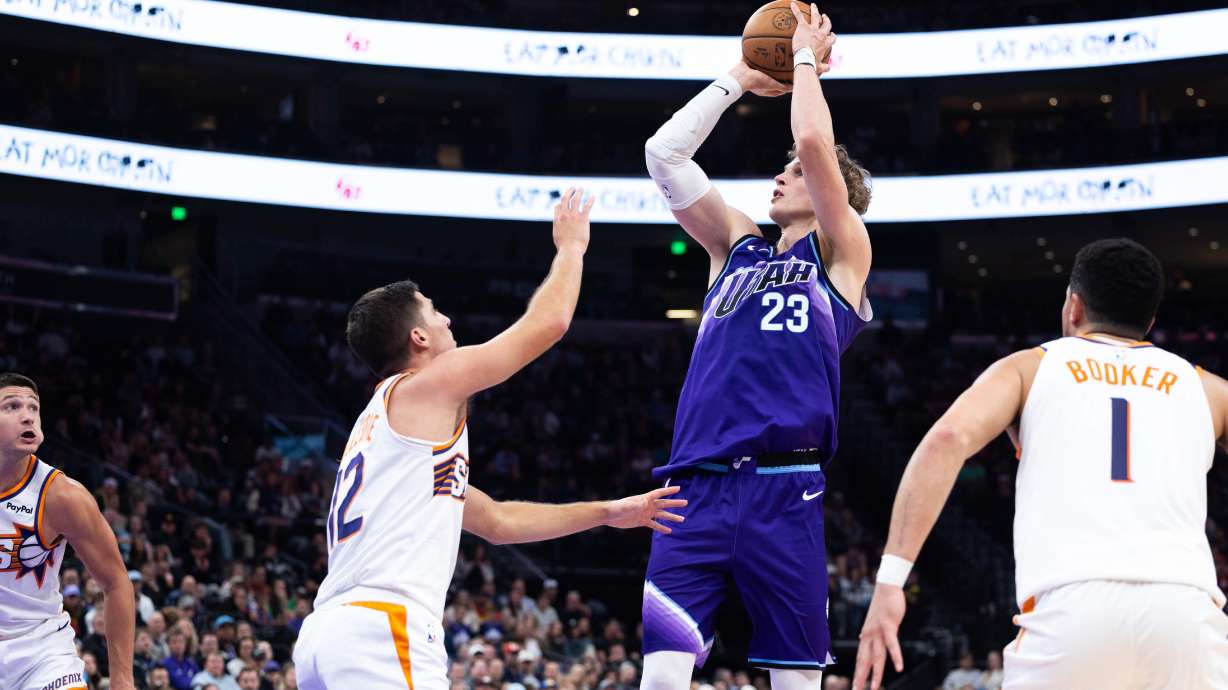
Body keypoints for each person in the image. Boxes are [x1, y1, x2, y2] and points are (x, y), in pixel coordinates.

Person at [293, 189, 688, 689]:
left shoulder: (389, 436)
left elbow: (498, 520)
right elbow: (548, 323)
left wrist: (609, 512)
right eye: (435, 313)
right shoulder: (425, 386)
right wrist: (571, 248)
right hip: (381, 624)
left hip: (326, 635)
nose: (448, 321)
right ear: (418, 338)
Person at [853, 239, 1228, 690]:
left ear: (1073, 306)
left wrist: (893, 578)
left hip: (1071, 606)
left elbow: (948, 438)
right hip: (1186, 610)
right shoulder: (1205, 387)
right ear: (1150, 321)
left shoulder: (1030, 368)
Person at [640, 4, 869, 689]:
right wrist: (742, 72)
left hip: (785, 487)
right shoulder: (734, 246)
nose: (780, 176)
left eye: (793, 172)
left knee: (797, 682)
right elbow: (664, 154)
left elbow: (816, 144)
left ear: (835, 197)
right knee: (660, 678)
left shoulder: (844, 256)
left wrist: (802, 58)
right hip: (694, 487)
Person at [0, 372, 136, 690]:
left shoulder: (62, 496)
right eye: (13, 406)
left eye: (34, 408)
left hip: (40, 652)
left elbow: (116, 582)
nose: (27, 416)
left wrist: (123, 681)